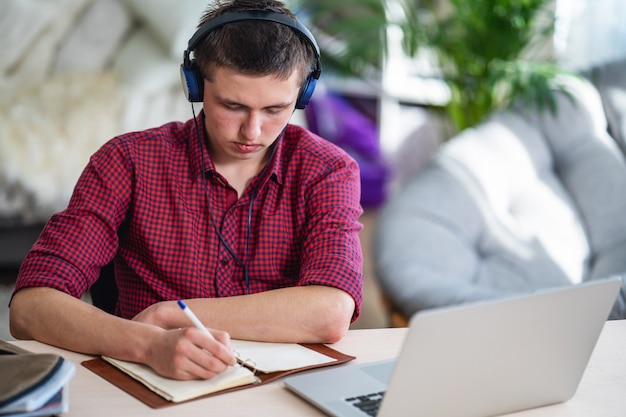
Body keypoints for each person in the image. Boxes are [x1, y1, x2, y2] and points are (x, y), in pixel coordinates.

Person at [10, 0, 363, 381]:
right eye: (232, 105)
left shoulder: (328, 170)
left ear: (304, 94)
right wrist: (146, 344)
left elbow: (331, 311)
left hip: (281, 389)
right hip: (154, 383)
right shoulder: (127, 160)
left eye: (276, 109)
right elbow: (30, 308)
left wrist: (172, 312)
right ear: (194, 85)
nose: (252, 132)